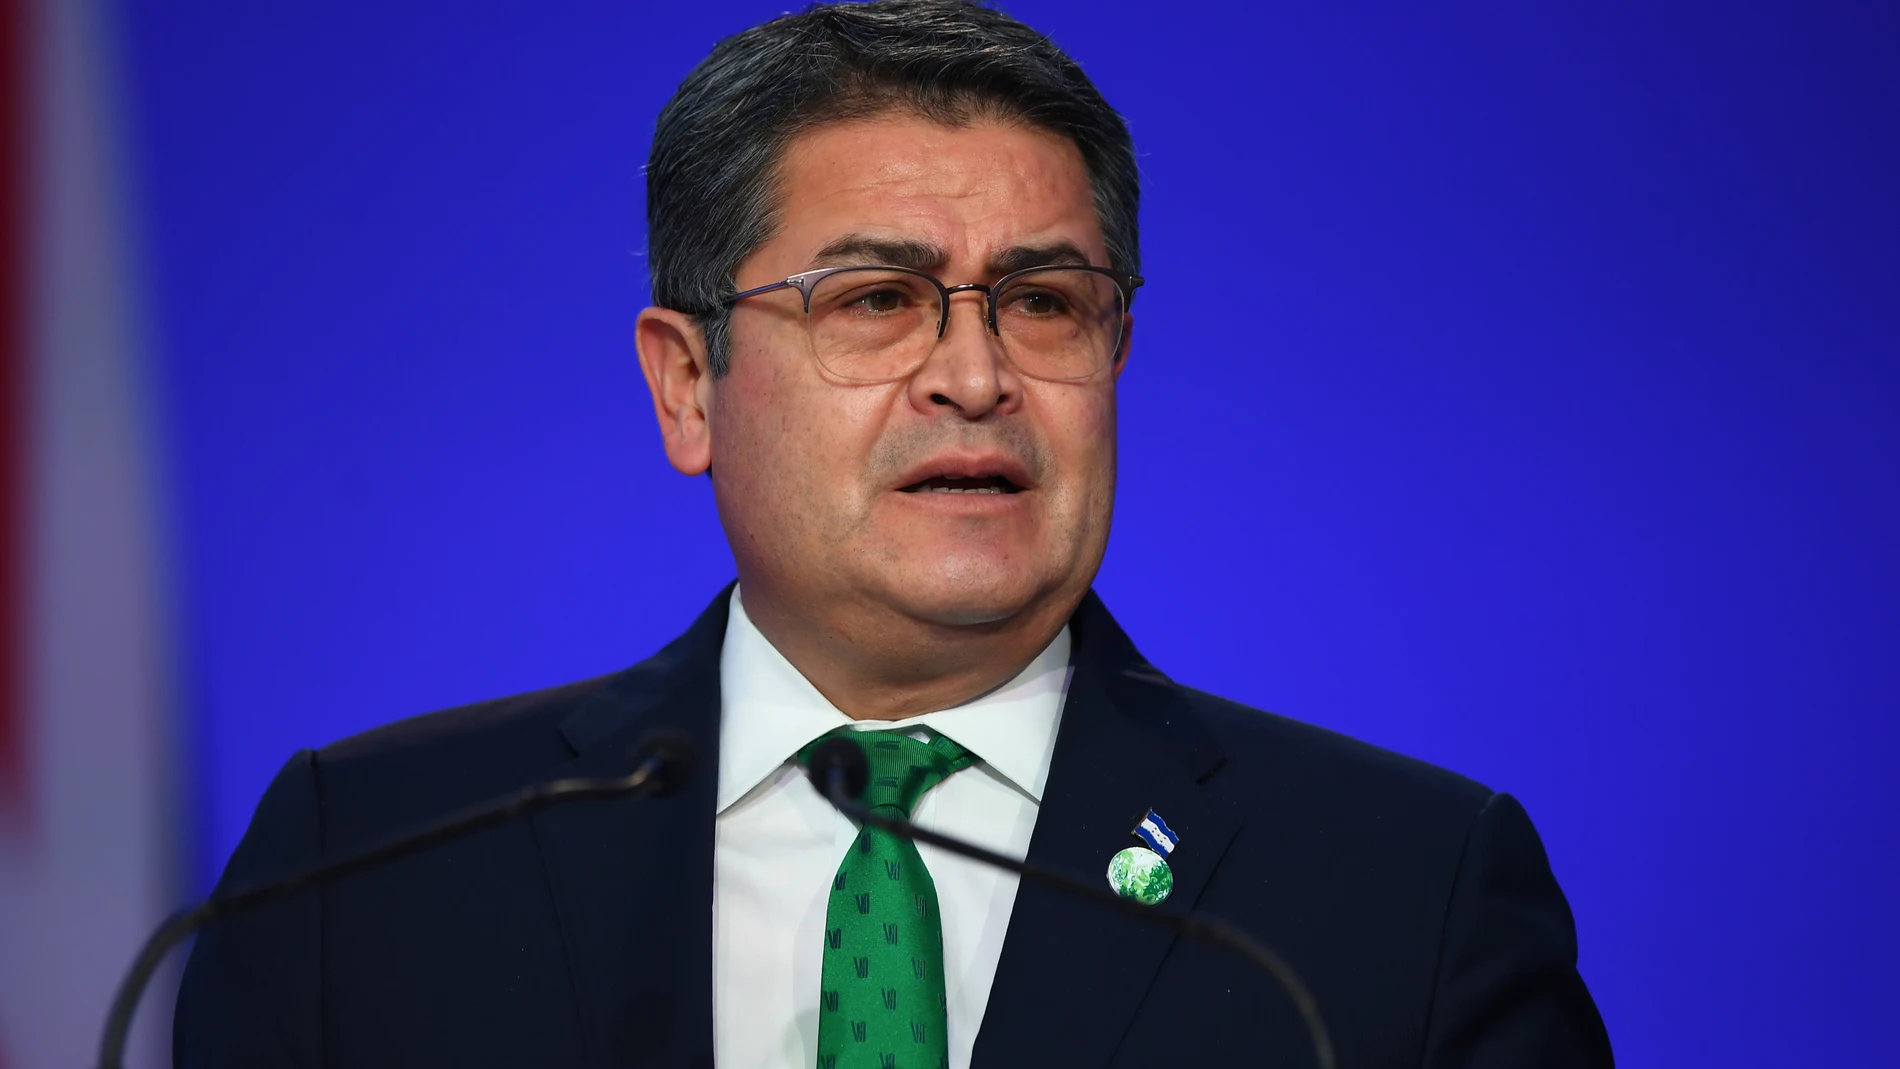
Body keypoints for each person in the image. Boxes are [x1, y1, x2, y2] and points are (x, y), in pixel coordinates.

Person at [174, 2, 1613, 1066]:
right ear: (688, 386)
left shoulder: (1404, 892)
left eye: (1043, 302)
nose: (976, 377)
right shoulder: (367, 871)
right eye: (877, 300)